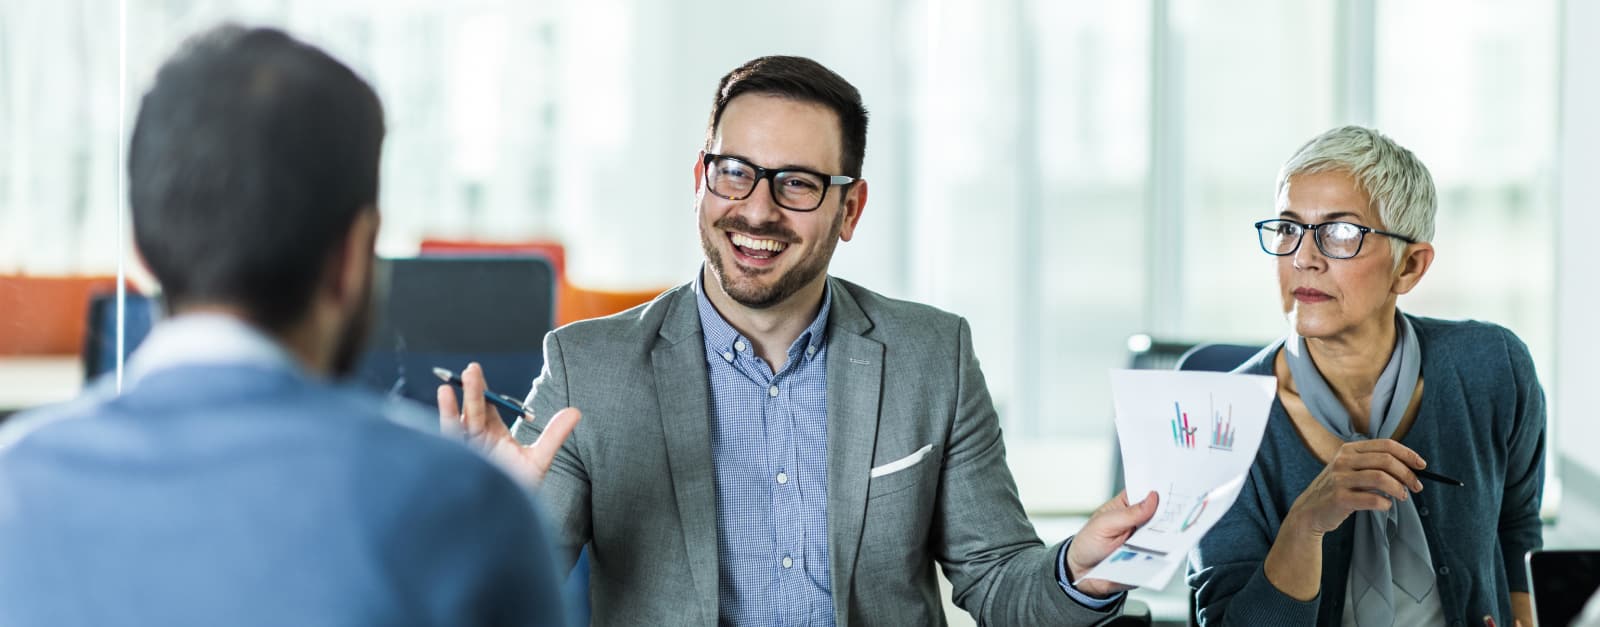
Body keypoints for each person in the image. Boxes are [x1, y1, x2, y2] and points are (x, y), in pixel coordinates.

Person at [440, 55, 1159, 625]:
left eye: (797, 184)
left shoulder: (930, 356)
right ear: (700, 179)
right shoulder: (588, 368)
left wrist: (1077, 572)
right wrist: (480, 520)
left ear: (851, 208)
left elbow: (1000, 578)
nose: (756, 208)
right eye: (734, 172)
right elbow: (501, 599)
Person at [0, 25, 566, 626]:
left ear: (142, 248)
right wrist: (491, 506)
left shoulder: (12, 483)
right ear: (353, 256)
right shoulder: (462, 509)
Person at [1189, 126, 1545, 627]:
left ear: (1410, 267)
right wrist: (1306, 524)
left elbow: (1516, 526)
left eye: (1341, 233)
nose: (1303, 259)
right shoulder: (1217, 421)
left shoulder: (1493, 368)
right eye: (1289, 229)